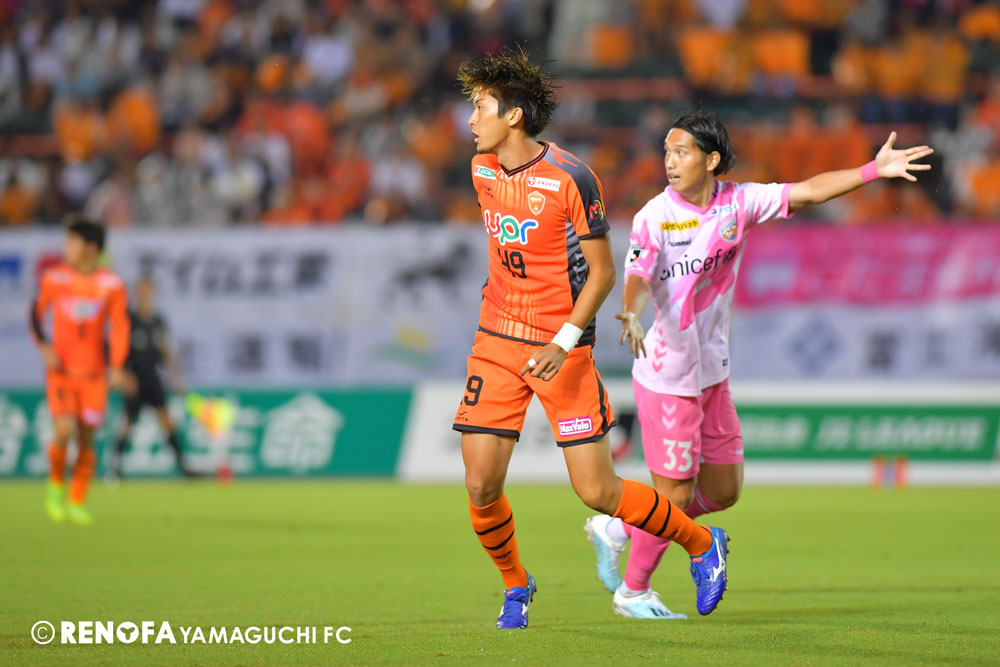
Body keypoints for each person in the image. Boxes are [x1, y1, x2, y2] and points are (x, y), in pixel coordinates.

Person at [584, 111, 933, 619]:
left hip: (713, 373)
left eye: (680, 152)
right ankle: (633, 592)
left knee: (723, 490)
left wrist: (872, 171)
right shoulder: (653, 216)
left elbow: (807, 192)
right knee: (674, 495)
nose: (669, 162)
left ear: (711, 160)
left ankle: (619, 527)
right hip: (667, 375)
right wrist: (632, 314)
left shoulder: (739, 202)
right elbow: (637, 277)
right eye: (666, 152)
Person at [454, 50, 730, 630]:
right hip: (496, 341)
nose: (470, 119)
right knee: (480, 484)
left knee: (599, 492)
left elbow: (602, 273)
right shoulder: (480, 169)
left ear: (514, 116)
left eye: (480, 107)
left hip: (563, 349)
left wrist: (562, 340)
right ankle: (516, 585)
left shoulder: (572, 178)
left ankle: (703, 544)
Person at [30, 220, 130, 525]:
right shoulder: (55, 278)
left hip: (94, 376)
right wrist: (44, 347)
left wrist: (117, 365)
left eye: (72, 243)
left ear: (91, 248)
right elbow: (35, 314)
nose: (66, 248)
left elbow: (120, 327)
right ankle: (55, 486)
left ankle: (77, 500)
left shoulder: (111, 284)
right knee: (63, 430)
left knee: (86, 438)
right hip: (62, 372)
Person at [111, 275, 195, 479]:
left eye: (149, 290)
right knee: (127, 423)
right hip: (134, 379)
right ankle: (115, 467)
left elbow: (166, 349)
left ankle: (184, 466)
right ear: (136, 292)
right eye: (142, 290)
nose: (145, 295)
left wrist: (176, 377)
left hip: (153, 378)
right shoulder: (128, 320)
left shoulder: (158, 321)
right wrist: (123, 374)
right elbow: (117, 349)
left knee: (167, 421)